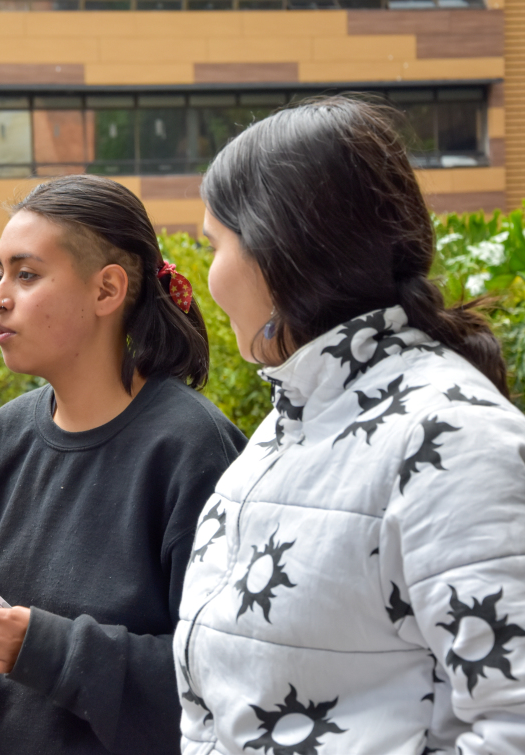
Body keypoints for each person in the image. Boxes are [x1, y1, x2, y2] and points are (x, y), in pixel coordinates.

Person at [177, 95, 525, 754]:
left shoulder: (452, 436)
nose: (209, 276)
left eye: (213, 244)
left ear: (280, 250)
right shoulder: (289, 426)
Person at [0, 174, 248, 754]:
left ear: (107, 290)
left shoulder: (194, 449)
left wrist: (41, 648)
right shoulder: (2, 438)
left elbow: (224, 678)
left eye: (27, 274)